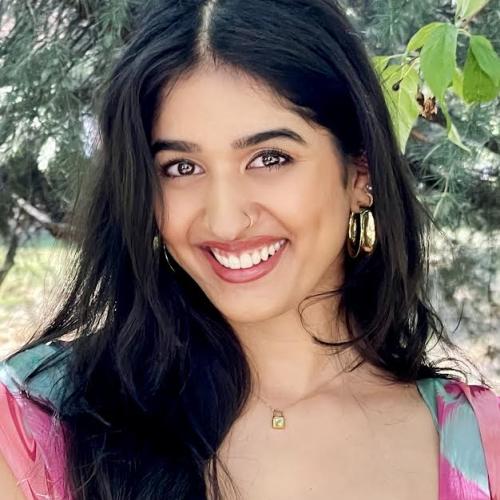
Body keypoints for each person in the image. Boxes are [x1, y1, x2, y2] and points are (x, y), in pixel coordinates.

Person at [0, 0, 498, 498]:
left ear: (360, 174)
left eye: (270, 158)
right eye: (181, 167)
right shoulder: (39, 428)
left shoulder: (479, 446)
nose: (225, 219)